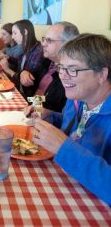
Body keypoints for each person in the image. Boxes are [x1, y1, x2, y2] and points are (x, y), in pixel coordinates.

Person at [28, 34, 111, 205]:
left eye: (73, 69)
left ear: (102, 74)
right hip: (63, 186)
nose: (63, 76)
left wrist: (62, 146)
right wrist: (50, 115)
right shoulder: (78, 99)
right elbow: (78, 128)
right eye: (61, 68)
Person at [24, 22, 79, 112]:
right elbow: (34, 90)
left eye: (49, 41)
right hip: (32, 107)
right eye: (44, 39)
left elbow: (53, 105)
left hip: (45, 117)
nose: (43, 44)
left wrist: (33, 104)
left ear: (67, 44)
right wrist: (23, 73)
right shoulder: (47, 62)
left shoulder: (70, 75)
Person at [0, 19, 43, 98]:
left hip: (30, 98)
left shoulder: (38, 52)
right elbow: (21, 63)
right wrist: (7, 57)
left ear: (25, 32)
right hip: (21, 91)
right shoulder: (28, 47)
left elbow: (26, 81)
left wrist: (7, 70)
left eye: (15, 33)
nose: (12, 36)